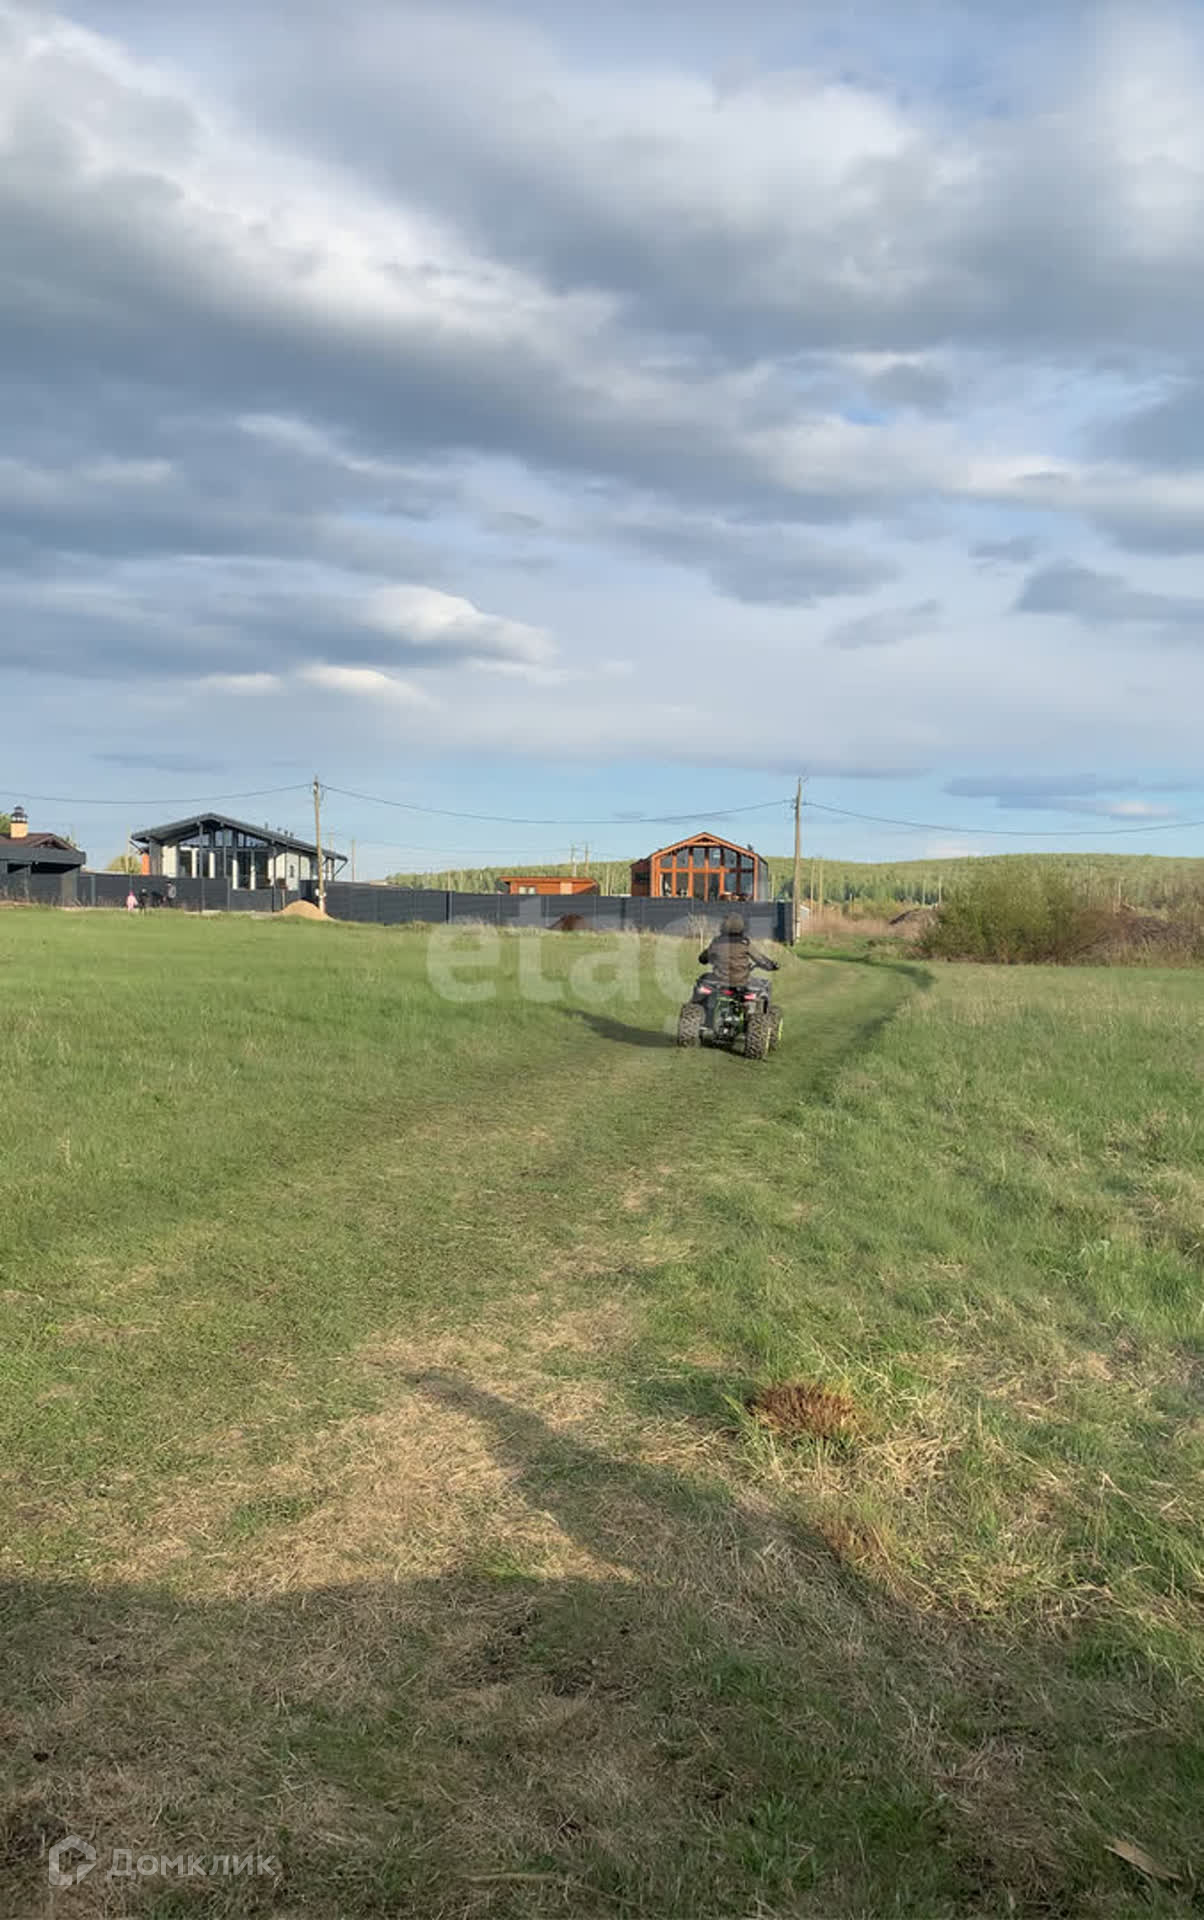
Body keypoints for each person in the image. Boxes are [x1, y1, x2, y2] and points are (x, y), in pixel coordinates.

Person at [697, 913, 780, 992]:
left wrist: (707, 958)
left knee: (702, 980)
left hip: (720, 980)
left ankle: (696, 1001)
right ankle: (760, 1003)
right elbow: (760, 959)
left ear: (723, 926)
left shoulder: (717, 942)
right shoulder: (745, 943)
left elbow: (703, 959)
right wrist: (772, 965)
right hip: (742, 981)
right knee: (765, 985)